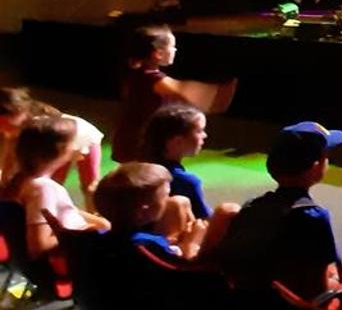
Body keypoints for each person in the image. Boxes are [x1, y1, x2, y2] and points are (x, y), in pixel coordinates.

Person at [208, 121, 342, 300]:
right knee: (339, 280)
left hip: (248, 300)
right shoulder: (313, 217)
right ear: (316, 166)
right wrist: (335, 283)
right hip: (287, 309)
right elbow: (316, 290)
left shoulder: (252, 206)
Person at [114, 25, 236, 164]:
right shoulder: (155, 80)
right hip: (141, 142)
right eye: (172, 47)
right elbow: (200, 98)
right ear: (158, 54)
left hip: (129, 138)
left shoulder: (134, 73)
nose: (175, 50)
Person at [0, 118, 108, 263]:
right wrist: (85, 232)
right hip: (72, 259)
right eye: (74, 143)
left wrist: (99, 222)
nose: (81, 149)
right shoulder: (44, 189)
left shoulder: (21, 180)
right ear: (61, 151)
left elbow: (57, 212)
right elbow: (39, 247)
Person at [142, 104, 240, 240]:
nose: (205, 135)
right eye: (199, 131)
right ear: (177, 142)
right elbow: (205, 218)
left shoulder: (139, 172)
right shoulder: (184, 181)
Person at [0, 87, 103, 203]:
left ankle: (94, 210)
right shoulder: (15, 129)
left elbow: (30, 159)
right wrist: (4, 179)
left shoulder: (38, 127)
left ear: (18, 112)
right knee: (51, 182)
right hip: (59, 144)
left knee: (89, 185)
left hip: (83, 137)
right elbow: (10, 154)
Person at [94, 161, 210, 260]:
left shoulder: (97, 239)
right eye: (165, 196)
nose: (169, 200)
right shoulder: (147, 246)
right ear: (143, 211)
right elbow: (182, 271)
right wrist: (192, 244)